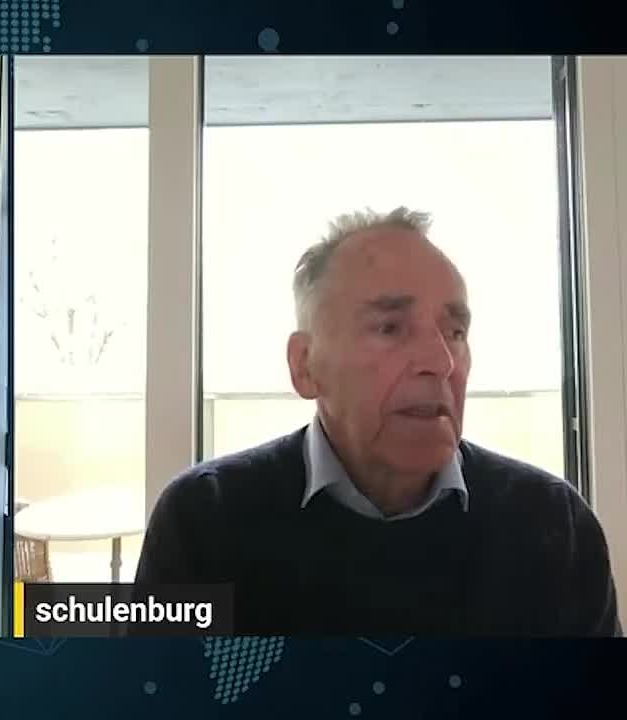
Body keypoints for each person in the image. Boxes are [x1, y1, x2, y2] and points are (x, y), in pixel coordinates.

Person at [133, 207, 621, 636]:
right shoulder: (206, 519)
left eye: (455, 331)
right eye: (390, 328)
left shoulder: (552, 524)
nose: (440, 361)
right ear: (305, 366)